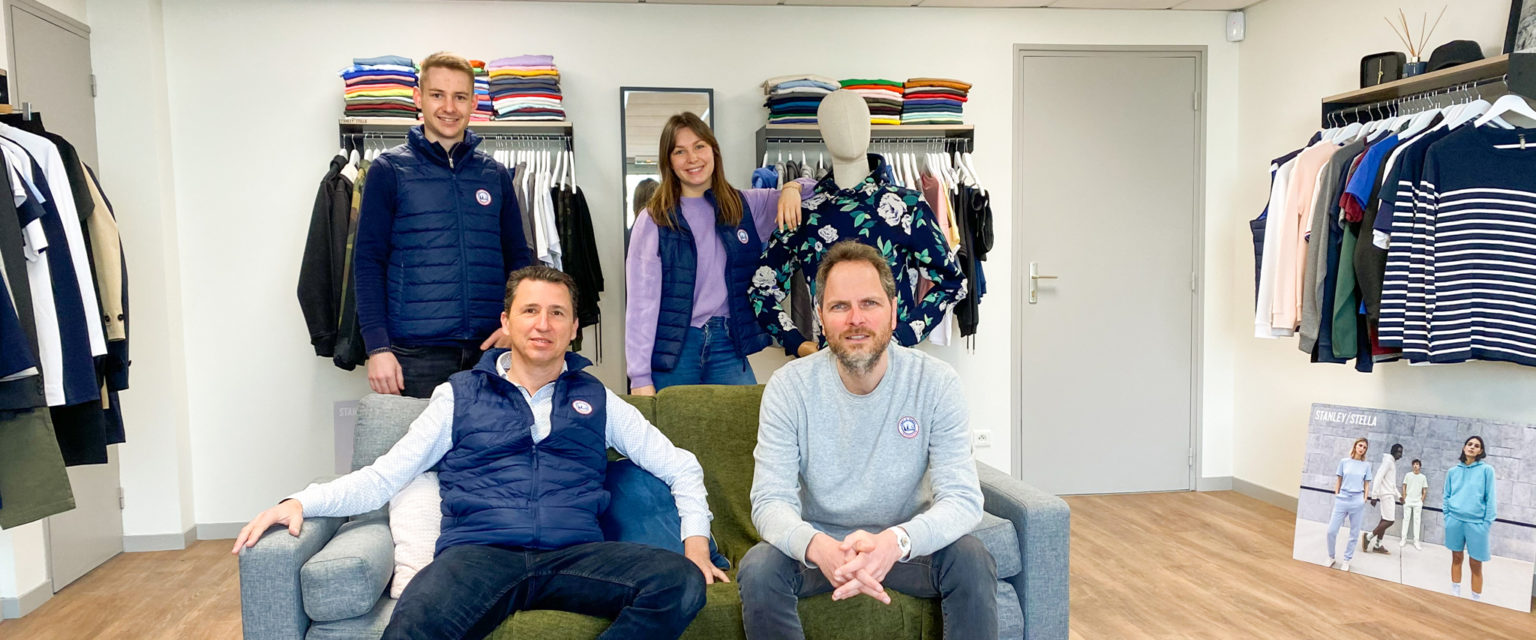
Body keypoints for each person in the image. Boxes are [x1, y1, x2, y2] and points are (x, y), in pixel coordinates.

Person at [233, 266, 720, 639]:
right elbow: (383, 477)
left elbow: (682, 466)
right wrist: (301, 501)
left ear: (574, 327)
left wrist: (695, 548)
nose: (543, 324)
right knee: (412, 624)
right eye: (530, 311)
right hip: (478, 556)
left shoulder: (599, 399)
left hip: (573, 555)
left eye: (557, 313)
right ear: (506, 322)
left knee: (679, 583)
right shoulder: (458, 395)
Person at [738, 241, 996, 639]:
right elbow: (770, 500)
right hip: (823, 551)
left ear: (893, 311)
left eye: (870, 304)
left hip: (904, 549)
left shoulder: (936, 383)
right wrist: (818, 546)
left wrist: (896, 542)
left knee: (971, 557)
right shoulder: (789, 387)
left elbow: (962, 499)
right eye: (840, 306)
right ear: (821, 316)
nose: (855, 319)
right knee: (759, 567)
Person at [354, 51, 534, 399]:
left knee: (495, 437)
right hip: (414, 356)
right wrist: (377, 348)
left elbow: (518, 259)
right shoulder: (388, 171)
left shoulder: (494, 175)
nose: (449, 107)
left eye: (460, 97)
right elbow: (368, 262)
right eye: (437, 95)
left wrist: (514, 326)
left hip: (490, 351)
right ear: (418, 98)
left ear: (474, 103)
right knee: (419, 439)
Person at [624, 112, 807, 394]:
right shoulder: (653, 219)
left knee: (742, 420)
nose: (692, 158)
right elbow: (641, 304)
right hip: (675, 346)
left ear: (713, 151)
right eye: (679, 151)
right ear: (668, 161)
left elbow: (820, 192)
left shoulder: (745, 206)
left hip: (727, 343)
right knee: (672, 423)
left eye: (699, 146)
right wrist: (639, 378)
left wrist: (793, 187)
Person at [1444, 435, 1496, 601]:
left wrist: (1486, 523)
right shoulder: (1453, 471)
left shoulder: (1487, 470)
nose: (1472, 447)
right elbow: (1446, 495)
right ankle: (1455, 595)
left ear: (1480, 451)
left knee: (1476, 564)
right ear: (1464, 447)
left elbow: (1491, 498)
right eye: (1469, 444)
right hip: (1454, 521)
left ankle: (1475, 601)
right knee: (1456, 558)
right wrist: (1447, 516)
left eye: (1476, 445)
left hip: (1477, 524)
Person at [1324, 438, 1371, 572]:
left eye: (1365, 447)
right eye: (1360, 445)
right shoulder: (1344, 462)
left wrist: (1364, 499)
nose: (1362, 449)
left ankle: (1347, 560)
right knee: (1331, 531)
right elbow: (1339, 480)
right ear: (1355, 446)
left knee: (1354, 533)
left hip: (1357, 501)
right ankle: (1331, 557)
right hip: (1342, 499)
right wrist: (1337, 495)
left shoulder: (1366, 465)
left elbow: (1367, 484)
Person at [1363, 443, 1403, 553]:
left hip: (1389, 494)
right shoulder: (1388, 462)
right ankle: (1368, 537)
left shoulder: (1391, 463)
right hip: (1386, 495)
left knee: (1384, 520)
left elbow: (1391, 484)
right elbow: (1378, 477)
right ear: (1393, 451)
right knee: (1390, 521)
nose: (1401, 455)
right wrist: (1374, 496)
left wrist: (1399, 496)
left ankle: (1378, 545)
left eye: (1401, 452)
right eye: (1399, 452)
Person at [1400, 459, 1428, 550]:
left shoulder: (1423, 477)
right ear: (1412, 466)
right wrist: (1404, 497)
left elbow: (1425, 490)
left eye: (1417, 464)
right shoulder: (1408, 475)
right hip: (1408, 500)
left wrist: (1421, 501)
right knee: (1406, 519)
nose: (1415, 466)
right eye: (1414, 464)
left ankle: (1416, 541)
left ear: (1420, 466)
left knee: (1417, 521)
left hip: (1417, 502)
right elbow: (1404, 486)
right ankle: (1403, 539)